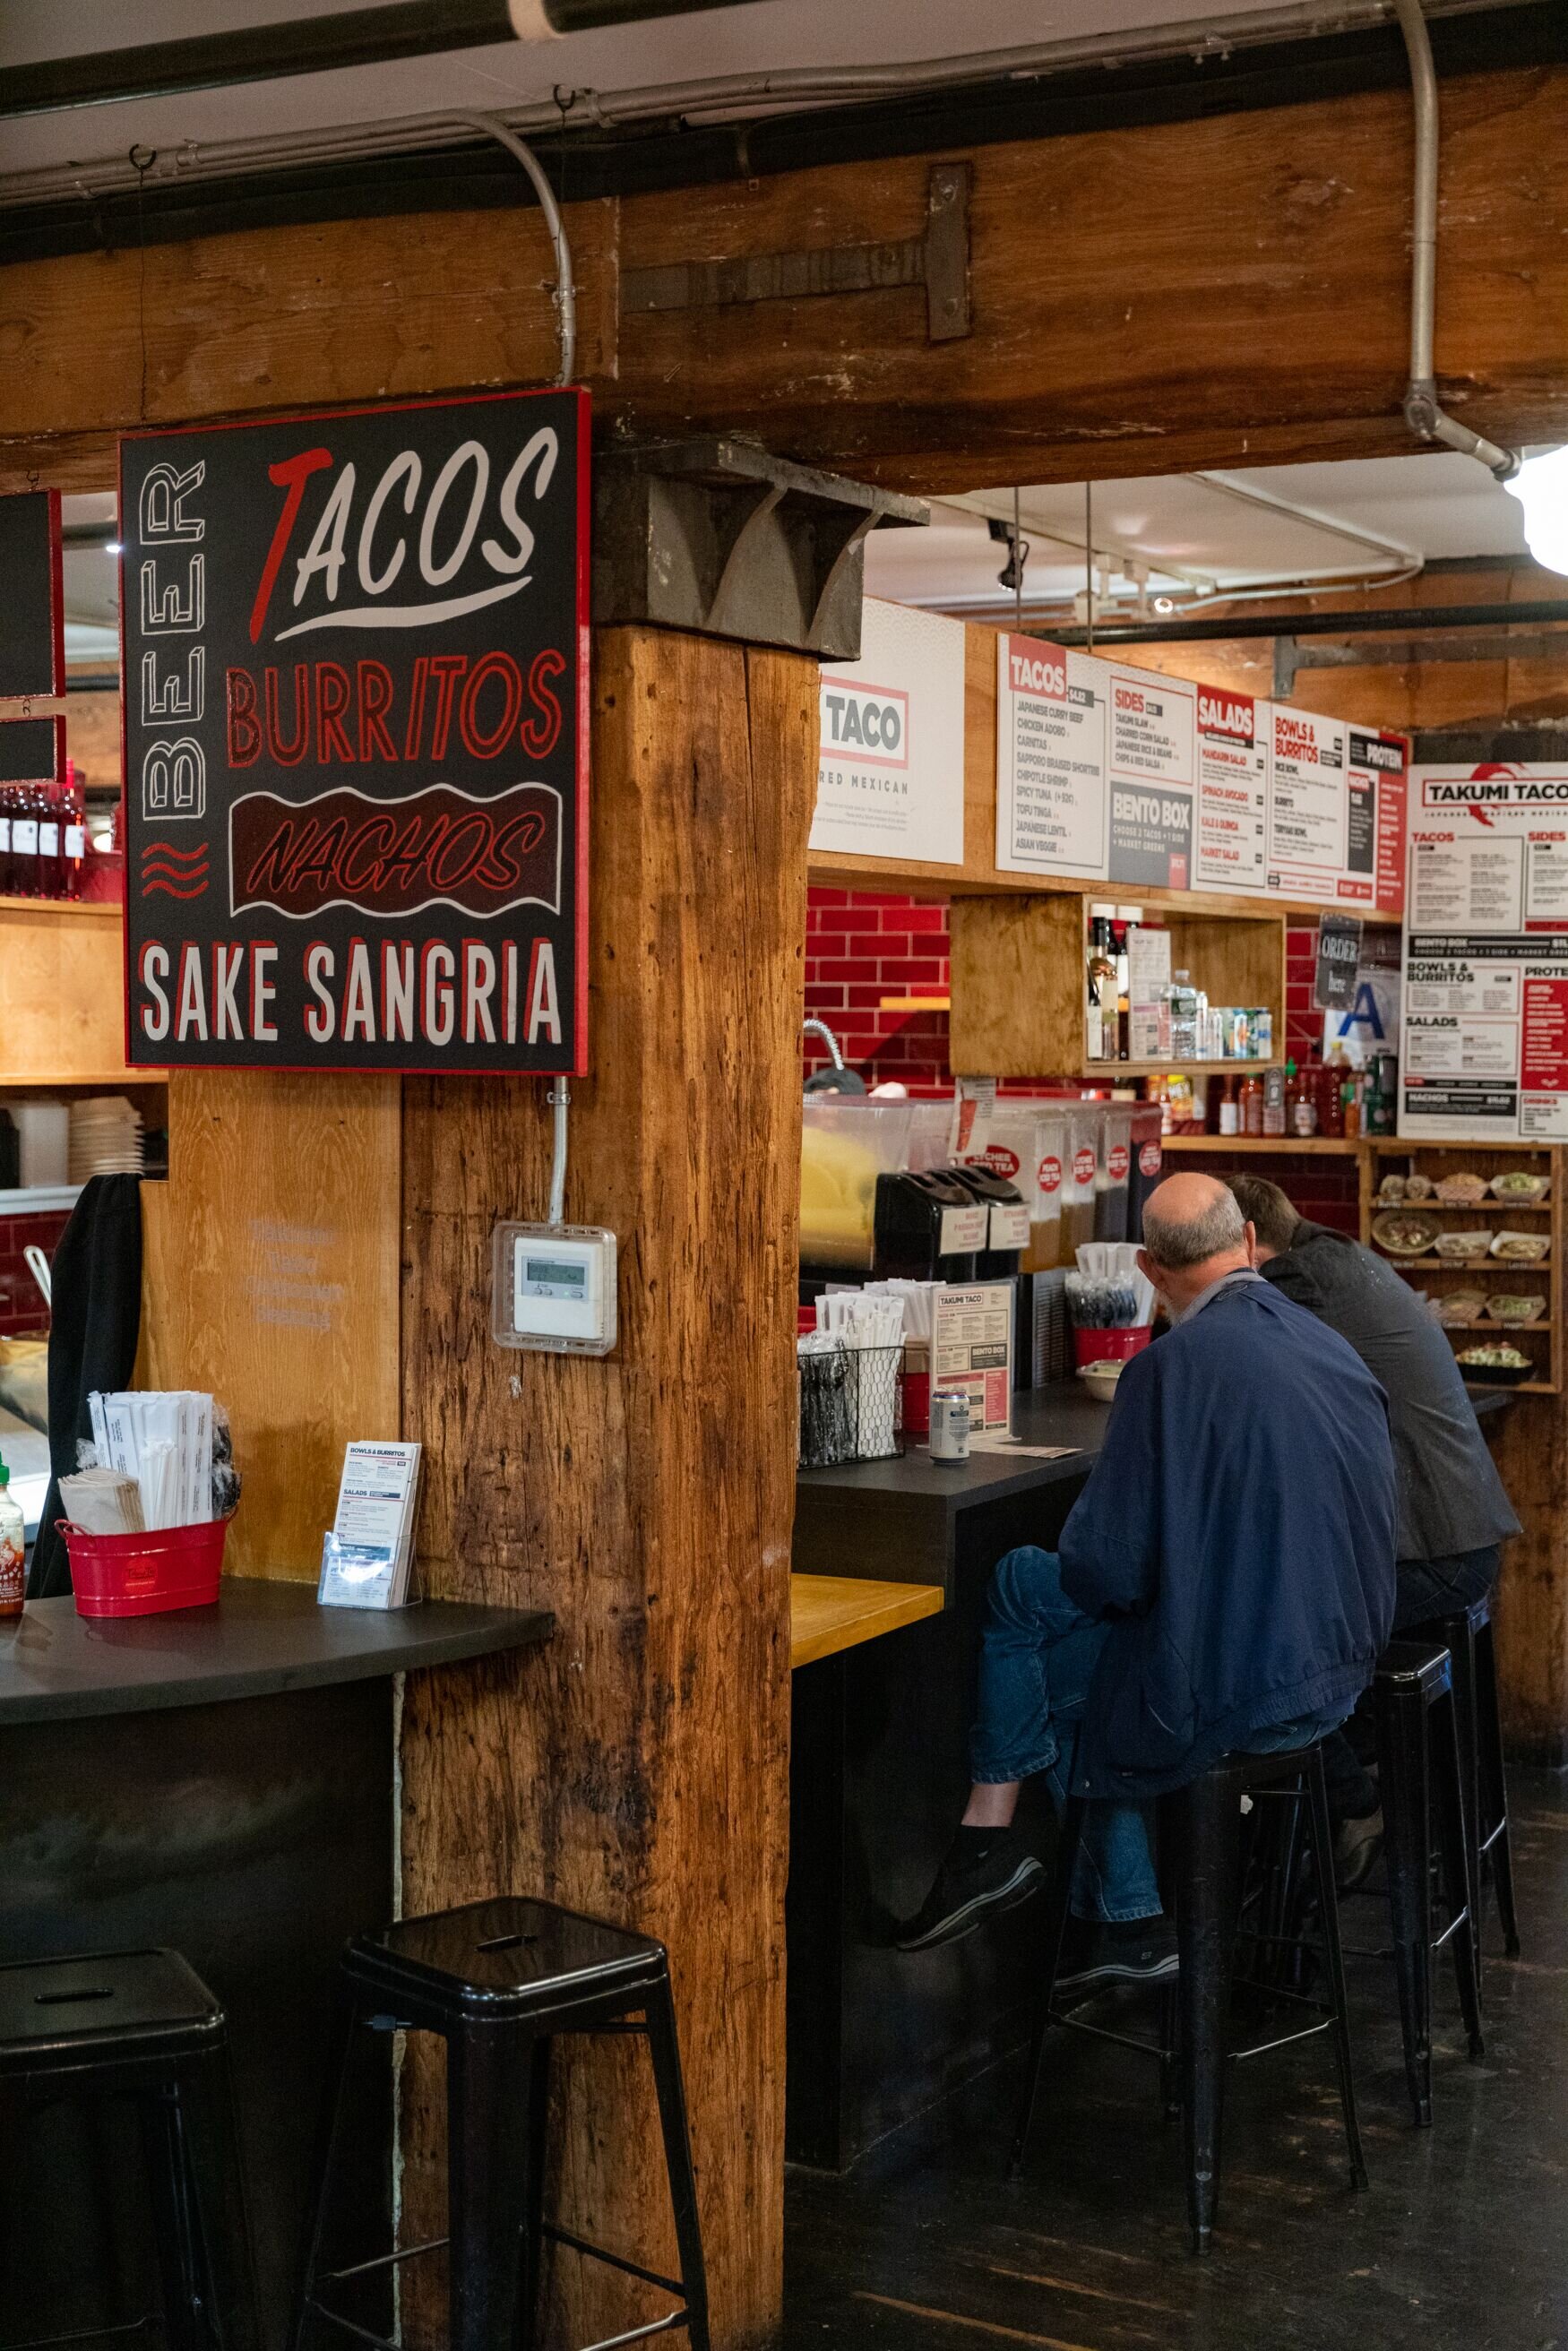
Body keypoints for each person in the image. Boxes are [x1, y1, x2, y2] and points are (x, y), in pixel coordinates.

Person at [897, 1172, 1398, 1981]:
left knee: (1051, 1638)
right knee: (1045, 1601)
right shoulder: (1323, 1340)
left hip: (1249, 1687)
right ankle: (1086, 1903)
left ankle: (1044, 1871)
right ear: (1245, 1245)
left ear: (1147, 1269)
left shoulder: (1170, 1368)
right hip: (1339, 1672)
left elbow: (1106, 1573)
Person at [1227, 1173, 1521, 1878]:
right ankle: (1325, 1815)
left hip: (1433, 1549)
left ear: (1245, 1243)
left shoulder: (1296, 1280)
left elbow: (1234, 1365)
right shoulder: (1332, 1257)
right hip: (1453, 1534)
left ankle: (1348, 1805)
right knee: (1277, 1618)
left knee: (1255, 1631)